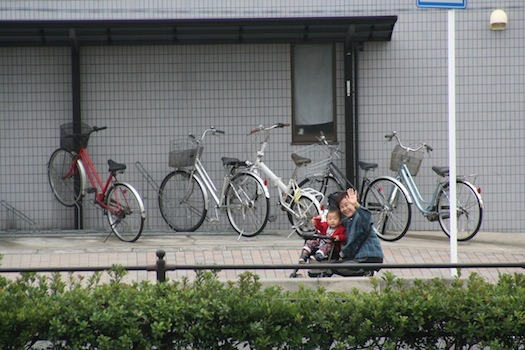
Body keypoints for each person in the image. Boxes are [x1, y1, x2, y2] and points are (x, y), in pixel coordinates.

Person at [335, 188, 383, 264]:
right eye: (342, 207)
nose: (345, 209)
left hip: (369, 256)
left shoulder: (359, 216)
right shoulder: (347, 221)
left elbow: (367, 217)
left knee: (335, 267)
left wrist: (356, 204)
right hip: (358, 258)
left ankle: (369, 272)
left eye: (347, 205)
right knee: (333, 266)